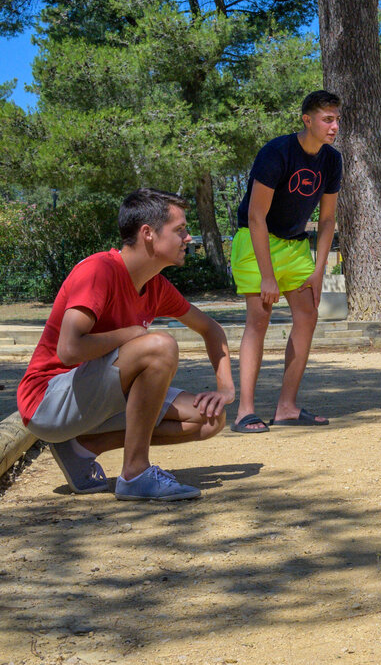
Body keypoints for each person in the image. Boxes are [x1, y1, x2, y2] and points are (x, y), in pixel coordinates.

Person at [17, 189, 234, 501]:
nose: (188, 238)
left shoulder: (156, 286)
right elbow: (68, 349)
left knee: (210, 418)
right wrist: (131, 333)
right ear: (148, 233)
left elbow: (211, 329)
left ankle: (80, 448)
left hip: (91, 399)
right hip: (47, 402)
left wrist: (225, 389)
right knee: (159, 345)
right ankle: (135, 473)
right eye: (180, 230)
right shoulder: (99, 271)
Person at [230, 90, 342, 433]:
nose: (334, 126)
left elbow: (326, 220)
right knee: (259, 320)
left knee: (307, 316)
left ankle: (287, 407)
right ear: (307, 120)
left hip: (294, 245)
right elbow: (255, 215)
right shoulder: (276, 152)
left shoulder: (332, 160)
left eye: (337, 119)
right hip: (255, 240)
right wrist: (267, 276)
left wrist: (319, 269)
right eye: (327, 119)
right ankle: (245, 411)